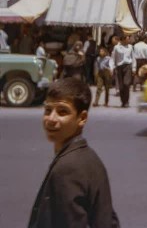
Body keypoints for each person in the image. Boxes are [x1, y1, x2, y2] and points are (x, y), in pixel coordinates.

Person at [27, 78, 119, 228]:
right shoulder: (89, 157)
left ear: (82, 118)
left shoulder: (67, 168)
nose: (51, 119)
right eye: (48, 110)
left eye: (62, 112)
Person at [111, 34, 136, 108]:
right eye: (128, 39)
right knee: (121, 86)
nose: (129, 40)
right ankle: (123, 101)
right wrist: (112, 68)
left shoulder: (130, 47)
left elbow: (133, 58)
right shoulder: (116, 47)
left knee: (126, 84)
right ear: (123, 39)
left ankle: (127, 101)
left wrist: (134, 68)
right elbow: (113, 58)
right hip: (119, 67)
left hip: (128, 66)